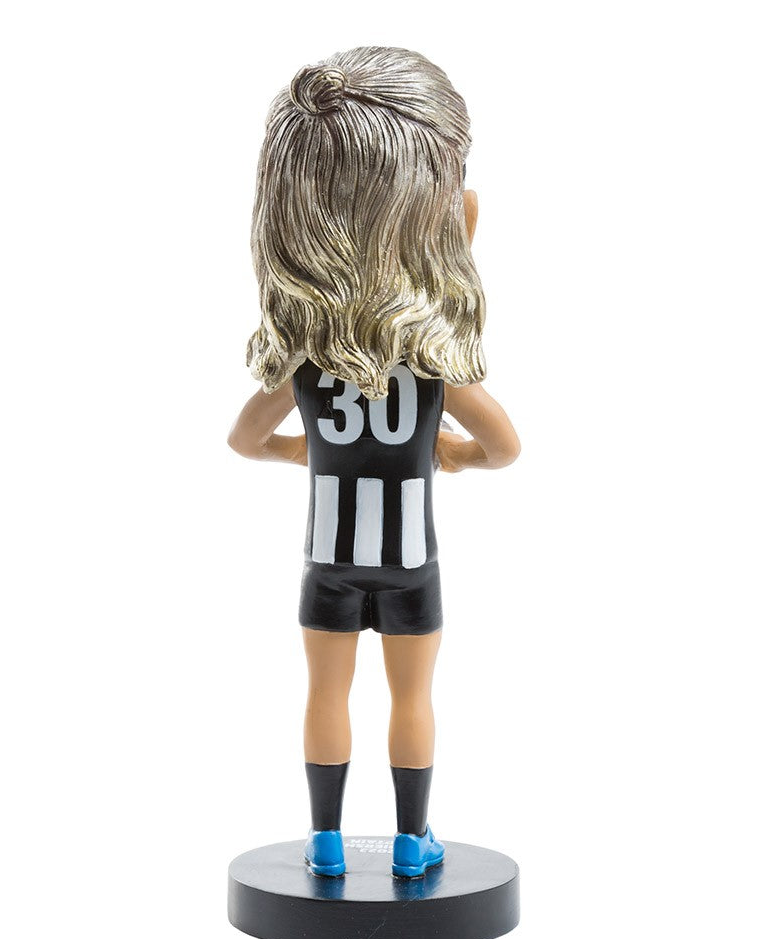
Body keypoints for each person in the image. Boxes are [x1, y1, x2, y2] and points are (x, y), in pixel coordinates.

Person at [227, 46, 519, 878]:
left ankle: (324, 840)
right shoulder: (433, 363)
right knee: (412, 697)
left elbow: (244, 439)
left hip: (328, 560)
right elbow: (504, 446)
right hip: (410, 561)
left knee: (325, 693)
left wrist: (307, 453)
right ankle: (410, 839)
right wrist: (451, 455)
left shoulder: (304, 360)